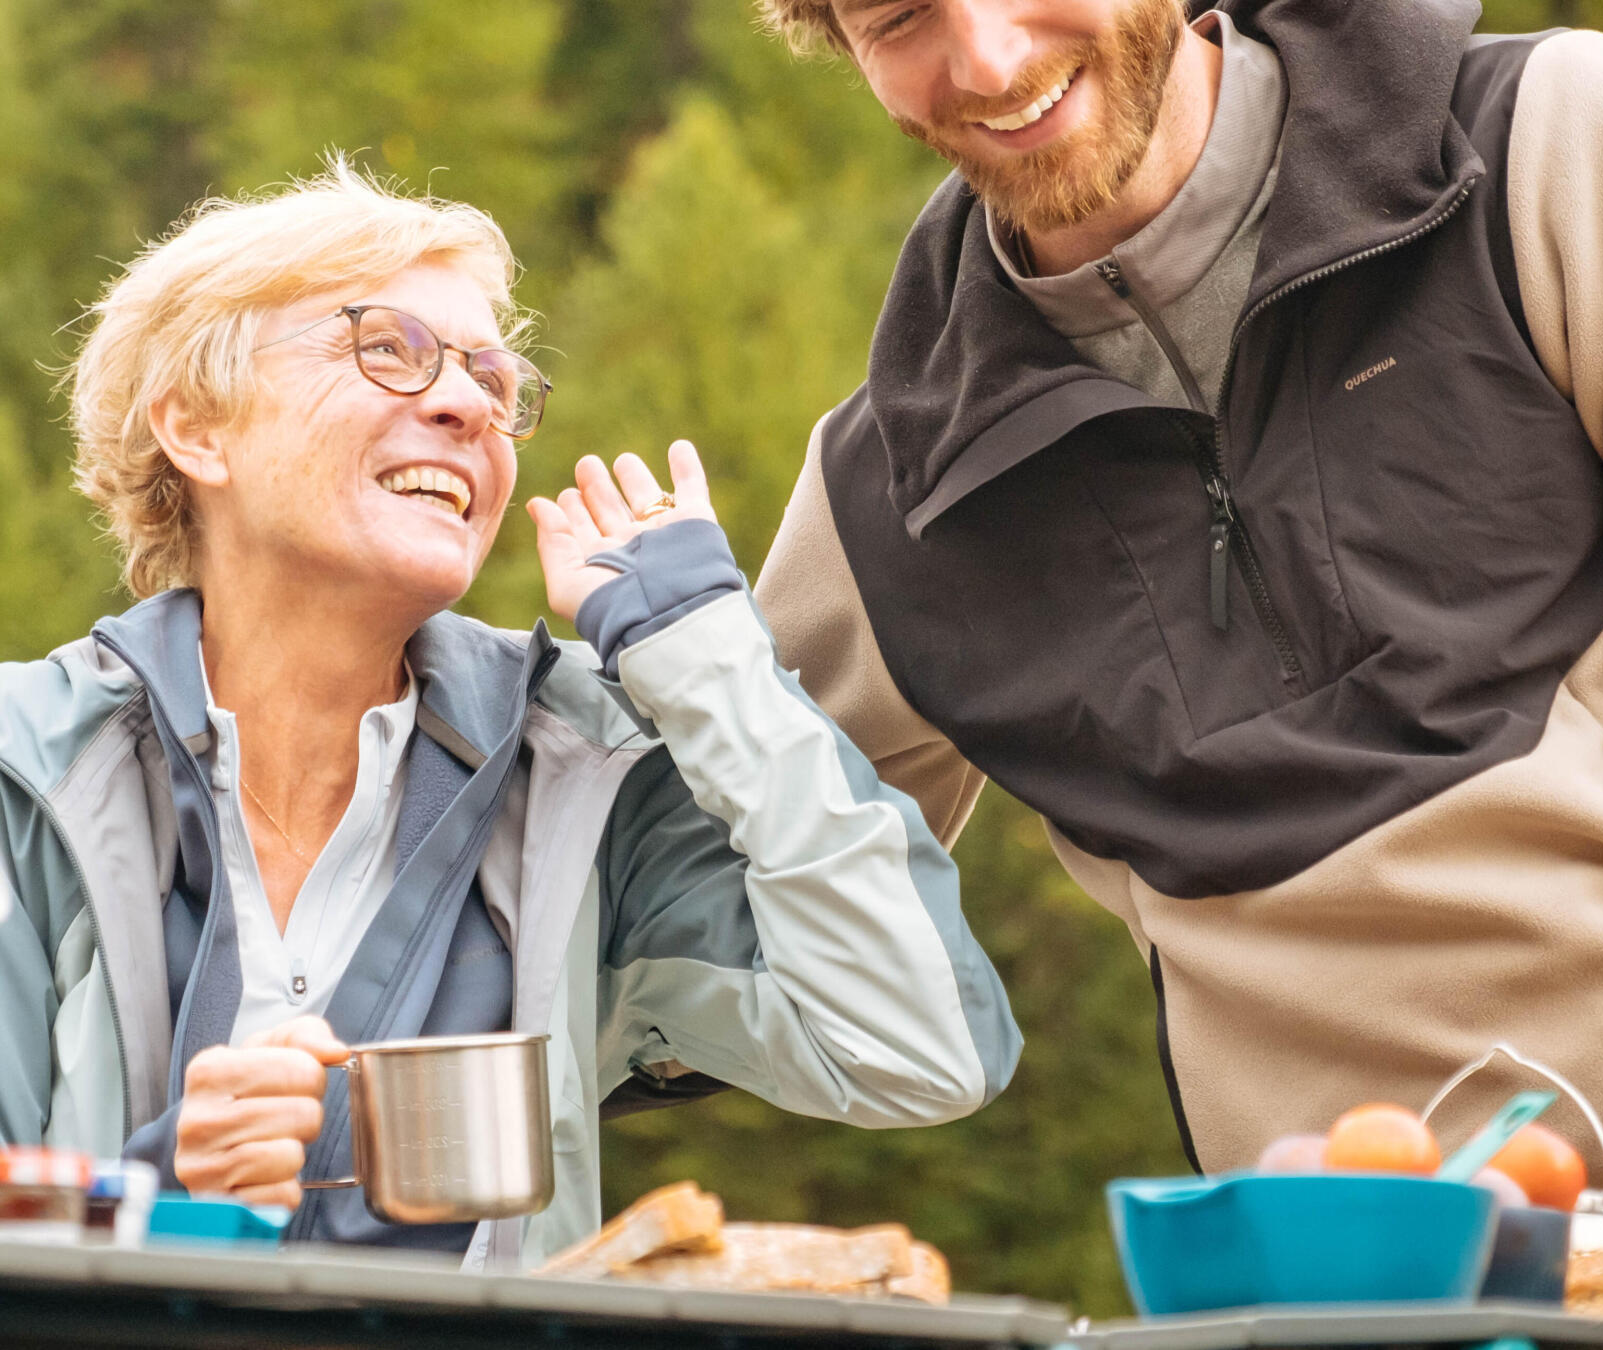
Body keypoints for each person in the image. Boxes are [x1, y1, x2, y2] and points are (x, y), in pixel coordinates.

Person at [750, 0, 1603, 1221]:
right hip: (1322, 1292)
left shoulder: (1545, 145)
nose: (986, 59)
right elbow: (671, 911)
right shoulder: (897, 486)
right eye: (901, 16)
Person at [0, 162, 1020, 1267]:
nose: (470, 403)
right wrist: (144, 1194)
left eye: (496, 377)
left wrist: (709, 659)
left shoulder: (588, 770)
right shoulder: (24, 769)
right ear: (198, 430)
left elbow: (922, 1049)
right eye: (386, 348)